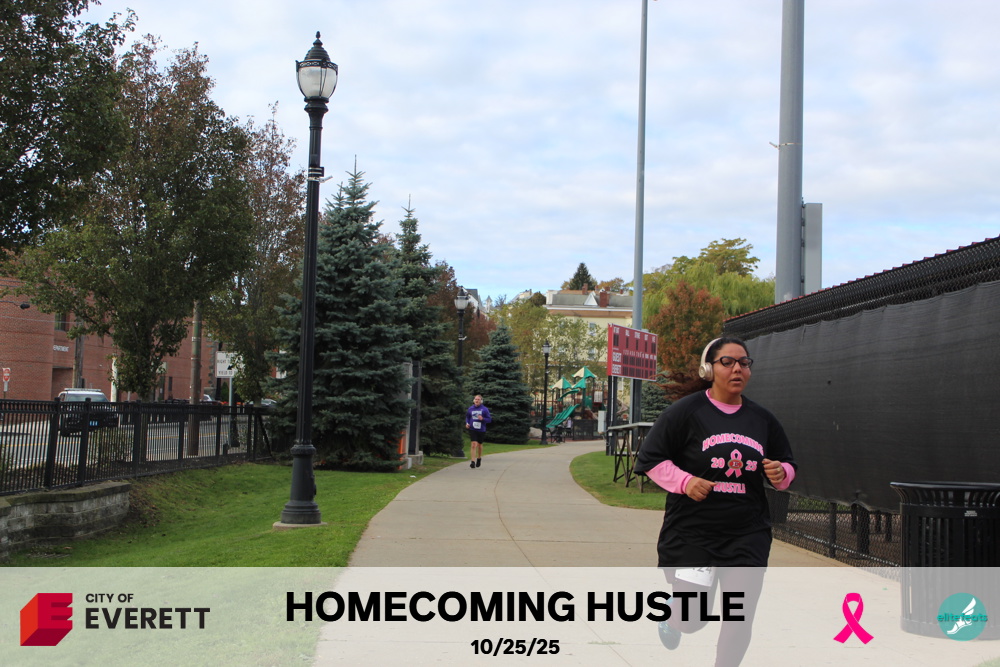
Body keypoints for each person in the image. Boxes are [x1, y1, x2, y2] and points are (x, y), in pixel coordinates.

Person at [634, 336, 797, 667]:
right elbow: (650, 459)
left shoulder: (762, 419)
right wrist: (686, 481)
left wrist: (782, 473)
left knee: (740, 617)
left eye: (744, 363)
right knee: (693, 619)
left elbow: (787, 464)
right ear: (708, 369)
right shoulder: (685, 413)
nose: (737, 368)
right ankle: (672, 618)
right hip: (694, 533)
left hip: (747, 532)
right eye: (727, 362)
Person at [464, 395, 492, 469]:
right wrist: (467, 423)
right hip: (472, 428)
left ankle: (479, 458)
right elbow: (468, 417)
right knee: (473, 444)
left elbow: (489, 420)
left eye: (478, 399)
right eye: (476, 399)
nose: (477, 401)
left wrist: (483, 419)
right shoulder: (470, 408)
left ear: (481, 401)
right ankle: (472, 462)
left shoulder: (485, 409)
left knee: (479, 445)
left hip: (481, 429)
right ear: (474, 400)